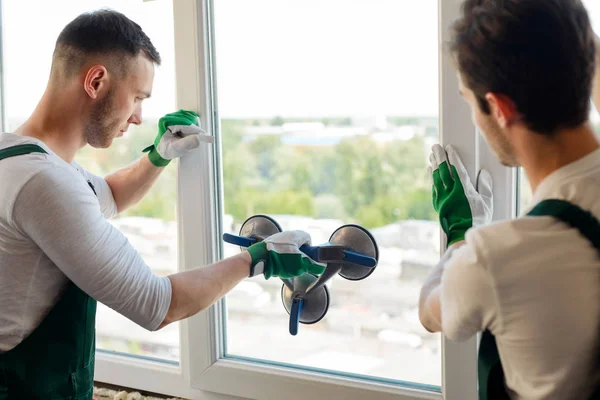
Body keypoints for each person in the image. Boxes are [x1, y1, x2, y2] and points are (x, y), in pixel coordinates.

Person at [0, 9, 324, 399]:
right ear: (96, 81)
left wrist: (158, 154)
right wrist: (259, 258)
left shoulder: (18, 157)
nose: (138, 117)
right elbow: (158, 304)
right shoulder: (43, 182)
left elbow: (107, 195)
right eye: (137, 97)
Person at [418, 0, 600, 399]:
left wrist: (462, 235)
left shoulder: (497, 259)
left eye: (468, 101)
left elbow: (430, 311)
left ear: (499, 108)